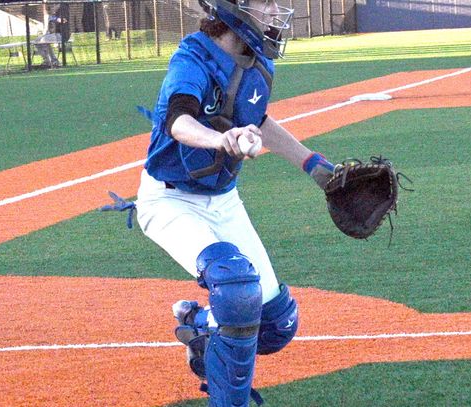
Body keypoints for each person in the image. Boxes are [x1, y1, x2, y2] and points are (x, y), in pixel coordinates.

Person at [132, 0, 340, 405]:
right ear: (235, 6)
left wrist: (315, 165)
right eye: (268, 2)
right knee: (234, 285)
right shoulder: (193, 57)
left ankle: (200, 327)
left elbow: (257, 118)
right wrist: (219, 139)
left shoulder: (255, 59)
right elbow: (178, 119)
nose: (279, 11)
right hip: (169, 200)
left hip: (223, 200)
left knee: (276, 325)